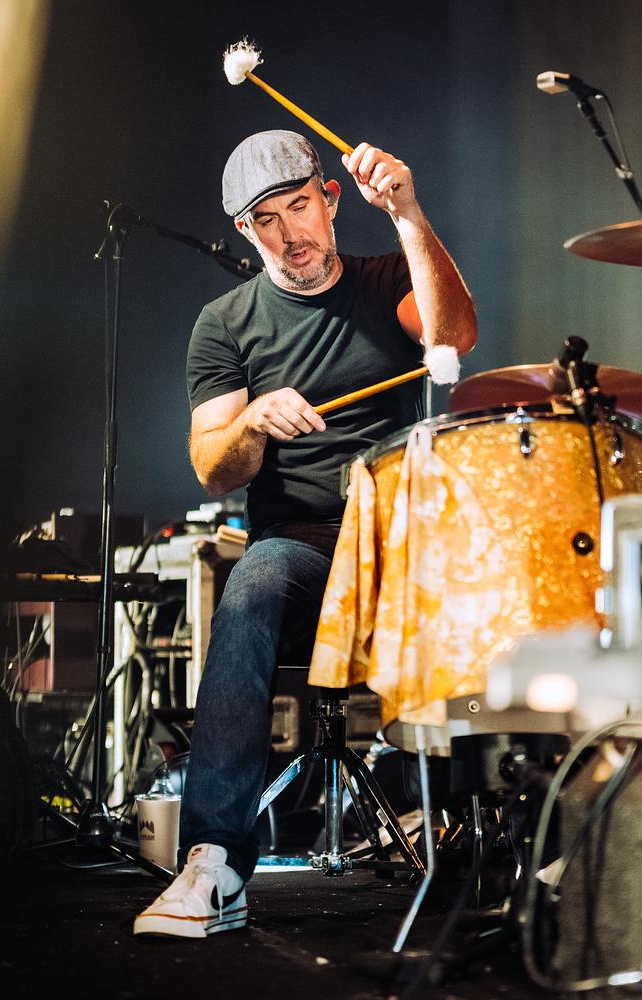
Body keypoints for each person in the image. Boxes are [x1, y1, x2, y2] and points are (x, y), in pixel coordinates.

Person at [133, 130, 476, 938]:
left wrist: (408, 213)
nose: (292, 233)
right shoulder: (224, 324)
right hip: (306, 544)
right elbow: (213, 468)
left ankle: (501, 831)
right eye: (268, 220)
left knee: (501, 575)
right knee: (250, 585)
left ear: (330, 199)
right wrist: (251, 420)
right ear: (245, 231)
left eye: (300, 206)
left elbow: (452, 339)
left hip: (403, 535)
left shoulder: (388, 276)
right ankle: (214, 862)